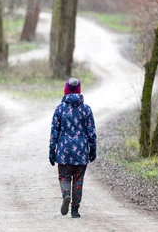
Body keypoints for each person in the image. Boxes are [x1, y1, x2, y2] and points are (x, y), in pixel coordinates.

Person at [48, 77, 97, 218]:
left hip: (63, 151)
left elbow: (54, 132)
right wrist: (93, 149)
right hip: (81, 152)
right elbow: (91, 132)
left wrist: (52, 150)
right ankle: (75, 210)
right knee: (78, 180)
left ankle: (66, 194)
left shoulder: (60, 109)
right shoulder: (86, 109)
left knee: (64, 176)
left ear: (65, 91)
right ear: (79, 91)